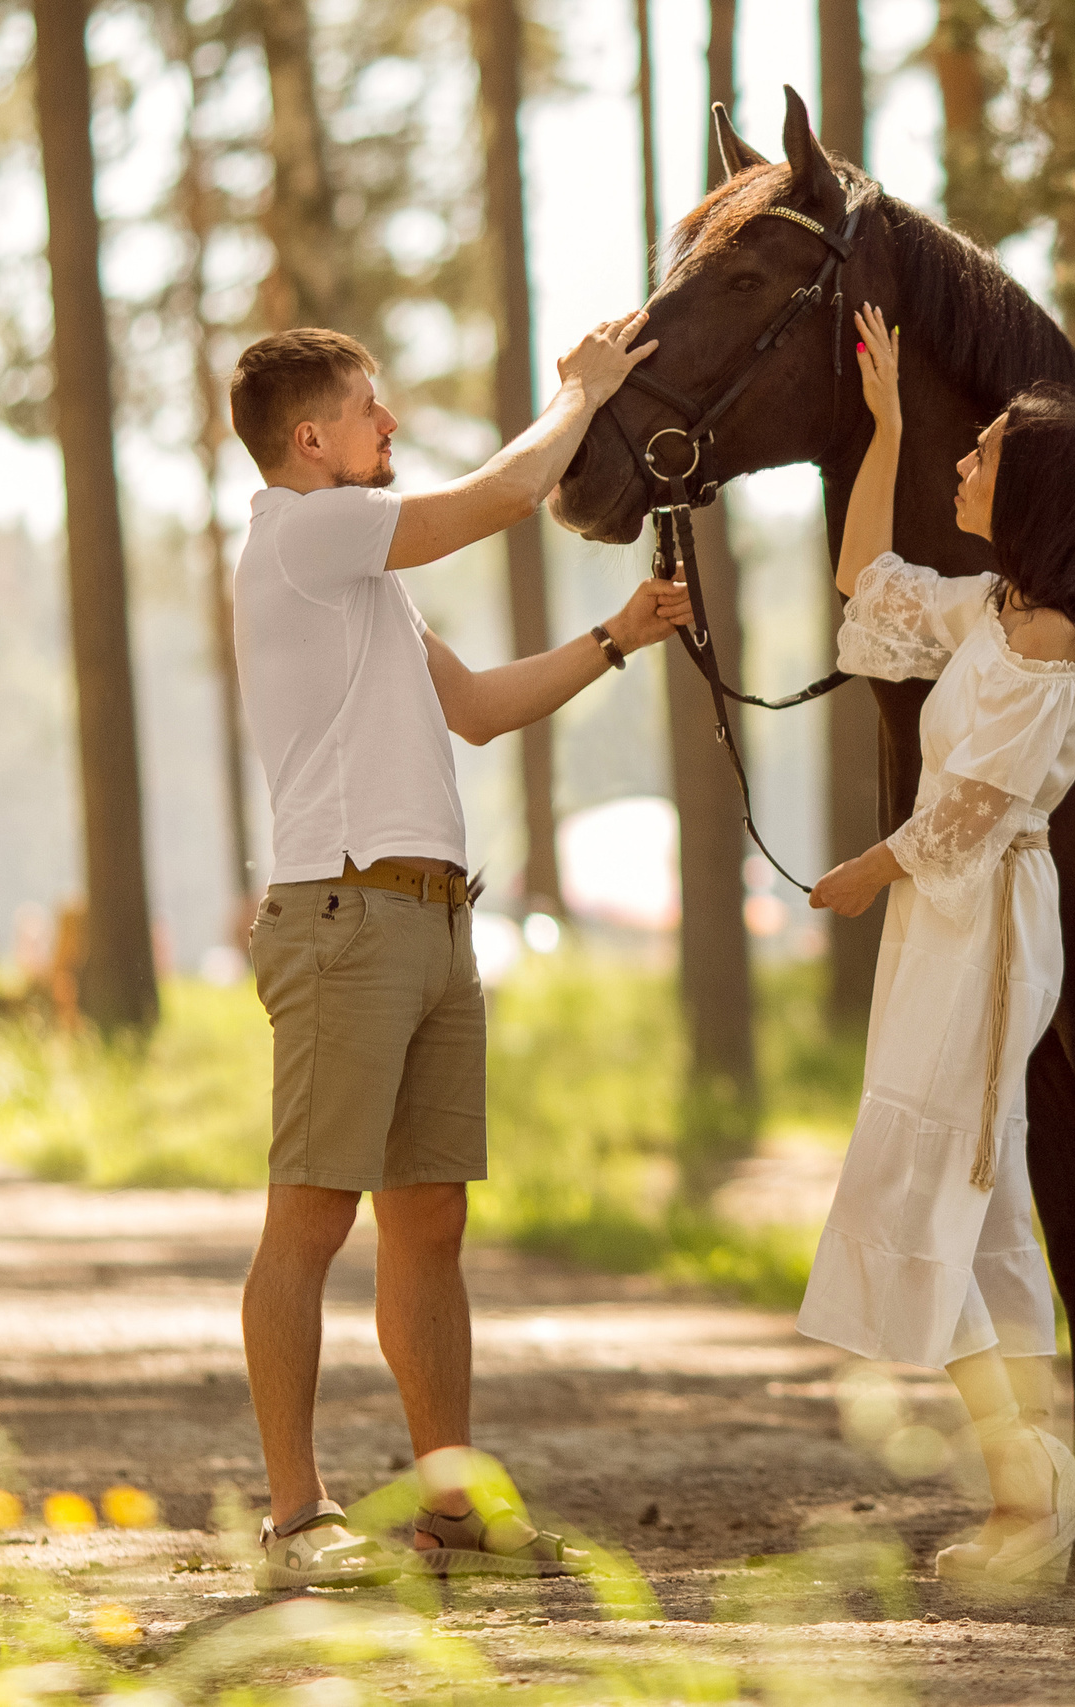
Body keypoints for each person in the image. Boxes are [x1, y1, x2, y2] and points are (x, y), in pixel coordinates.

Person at [227, 319, 688, 1589]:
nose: (389, 427)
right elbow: (504, 494)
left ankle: (452, 1512)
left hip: (430, 917)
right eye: (370, 409)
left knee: (429, 1218)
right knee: (311, 1220)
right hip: (344, 915)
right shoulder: (304, 533)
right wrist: (585, 396)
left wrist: (617, 637)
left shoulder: (365, 578)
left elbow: (476, 710)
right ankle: (295, 1517)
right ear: (309, 437)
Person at [799, 305, 1075, 1585]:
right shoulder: (997, 609)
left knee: (943, 1185)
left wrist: (864, 876)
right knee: (969, 1200)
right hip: (946, 922)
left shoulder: (1054, 647)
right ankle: (1032, 1491)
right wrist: (880, 428)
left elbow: (972, 815)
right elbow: (865, 578)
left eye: (982, 452)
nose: (961, 466)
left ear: (1035, 485)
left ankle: (1030, 1495)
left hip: (985, 922)